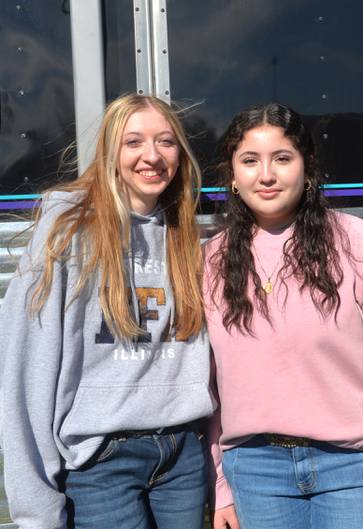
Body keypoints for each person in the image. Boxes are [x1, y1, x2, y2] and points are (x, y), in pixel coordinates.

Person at [0, 94, 214, 529]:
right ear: (110, 152)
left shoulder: (188, 234)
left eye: (166, 142)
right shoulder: (67, 230)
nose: (151, 156)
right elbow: (27, 368)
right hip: (102, 461)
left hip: (182, 456)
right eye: (133, 142)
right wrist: (35, 507)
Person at [203, 103, 363, 529]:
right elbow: (208, 384)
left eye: (282, 158)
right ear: (233, 175)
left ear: (307, 166)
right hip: (255, 471)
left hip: (354, 468)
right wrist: (220, 485)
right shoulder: (212, 259)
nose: (266, 175)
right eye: (250, 161)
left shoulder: (356, 240)